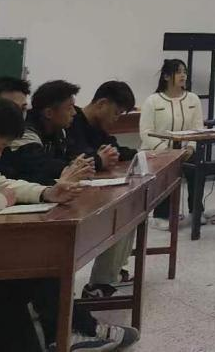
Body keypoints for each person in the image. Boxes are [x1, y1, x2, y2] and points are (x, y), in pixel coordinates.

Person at [0, 98, 136, 351]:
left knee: (4, 281)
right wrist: (1, 199)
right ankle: (71, 330)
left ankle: (68, 331)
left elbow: (2, 184)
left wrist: (46, 193)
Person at [69, 81, 138, 299]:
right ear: (102, 104)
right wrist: (99, 159)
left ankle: (106, 279)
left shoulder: (99, 128)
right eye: (116, 113)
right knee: (117, 214)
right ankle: (101, 281)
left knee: (130, 206)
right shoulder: (72, 122)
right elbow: (76, 157)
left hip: (95, 189)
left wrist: (138, 154)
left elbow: (114, 149)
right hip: (72, 194)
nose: (117, 119)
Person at [0, 80, 96, 187]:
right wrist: (73, 167)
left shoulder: (60, 131)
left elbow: (74, 155)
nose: (74, 113)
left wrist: (79, 164)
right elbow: (38, 166)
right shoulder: (25, 131)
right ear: (48, 113)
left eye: (23, 108)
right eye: (69, 108)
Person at [139, 59, 204, 222]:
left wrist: (191, 147)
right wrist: (166, 151)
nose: (183, 76)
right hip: (159, 152)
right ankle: (161, 215)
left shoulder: (193, 99)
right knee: (166, 172)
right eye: (178, 72)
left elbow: (198, 128)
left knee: (197, 168)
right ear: (167, 76)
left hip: (186, 151)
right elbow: (146, 132)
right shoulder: (153, 100)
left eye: (185, 72)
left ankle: (196, 211)